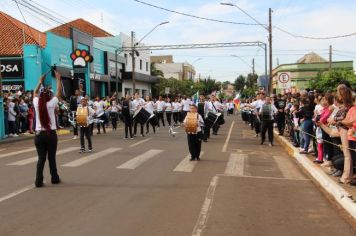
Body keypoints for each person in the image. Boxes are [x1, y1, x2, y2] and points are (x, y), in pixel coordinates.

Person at [33, 71, 62, 188]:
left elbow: (35, 92)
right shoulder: (51, 104)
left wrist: (40, 82)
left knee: (41, 159)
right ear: (49, 96)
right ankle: (54, 178)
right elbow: (59, 91)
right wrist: (58, 79)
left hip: (39, 135)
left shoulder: (36, 103)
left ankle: (38, 181)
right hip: (50, 134)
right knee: (51, 158)